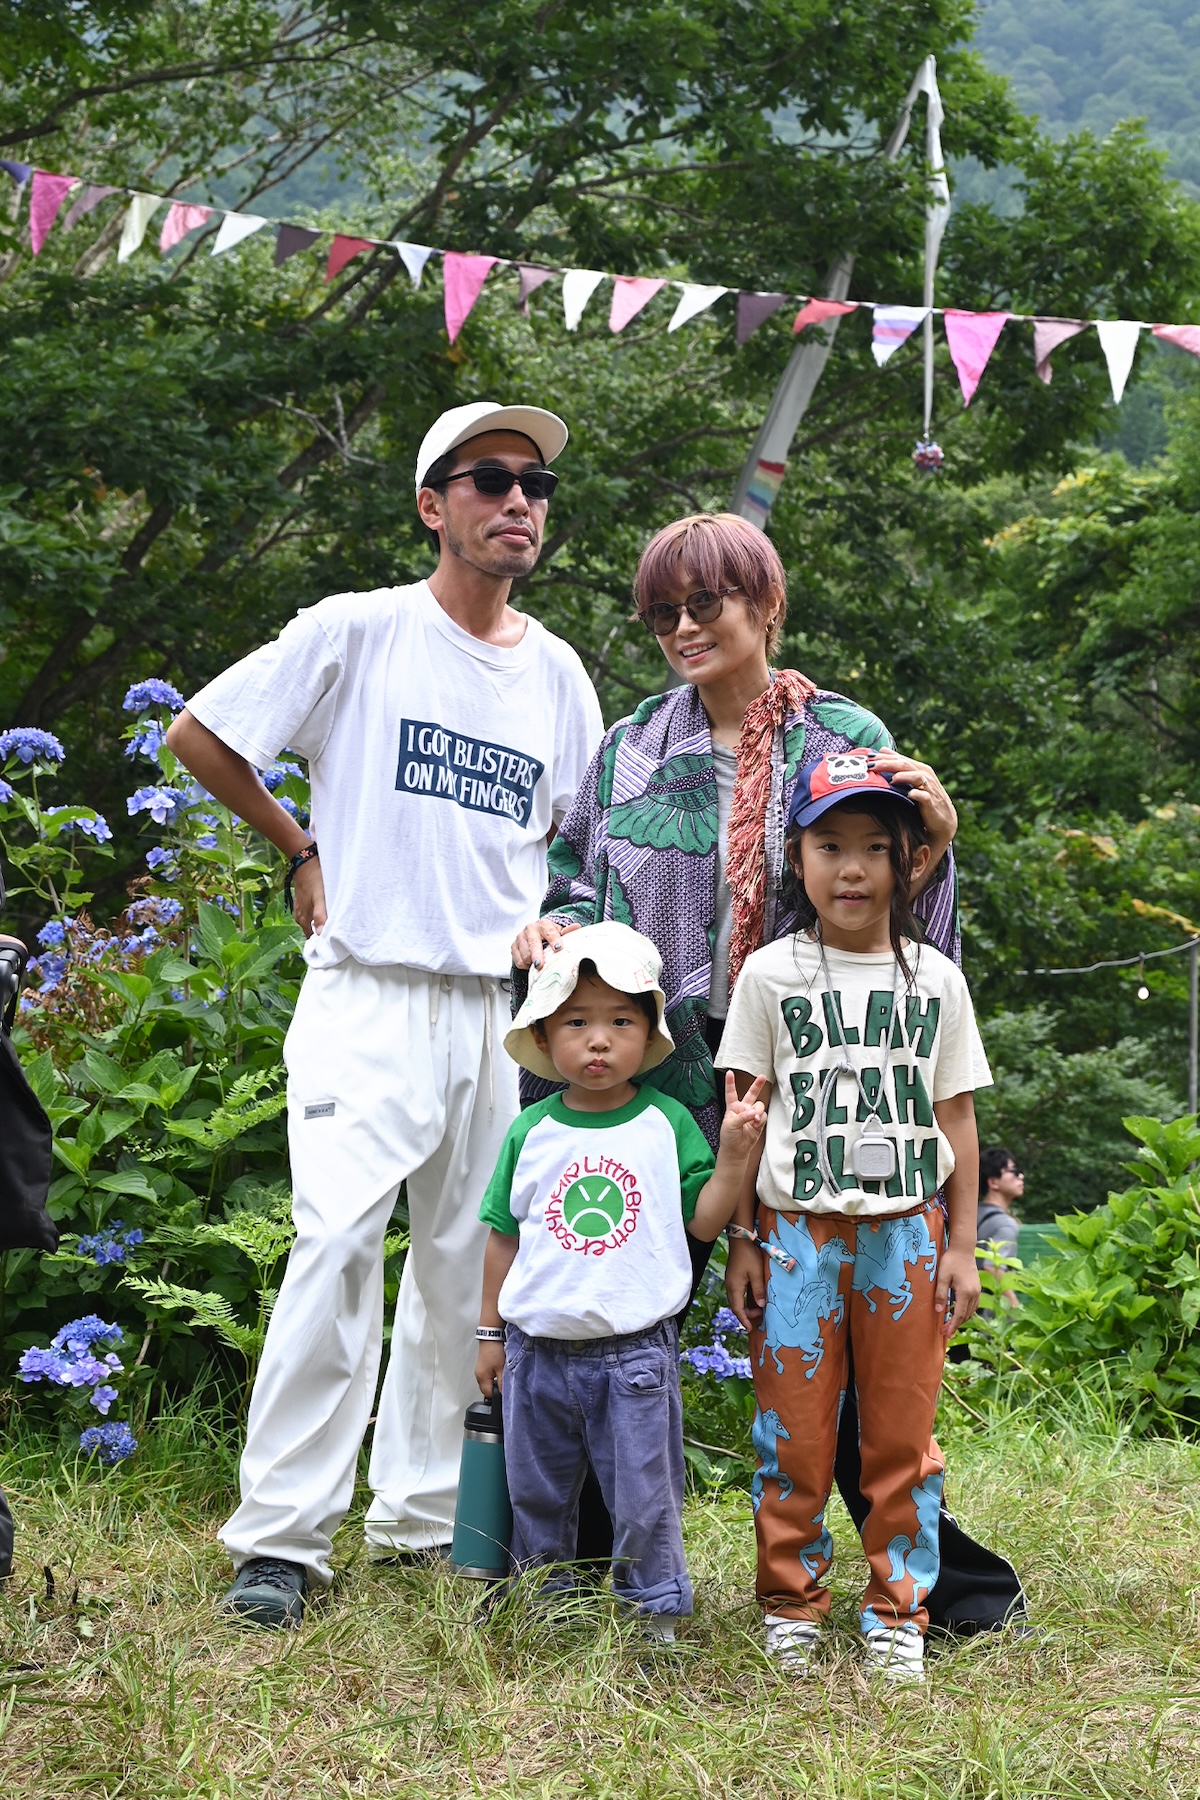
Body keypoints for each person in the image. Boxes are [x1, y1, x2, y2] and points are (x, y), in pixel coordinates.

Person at [512, 510, 1025, 1634]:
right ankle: (575, 1563)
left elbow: (899, 908)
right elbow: (575, 872)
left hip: (807, 1084)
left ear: (766, 606)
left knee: (830, 1357)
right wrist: (550, 930)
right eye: (662, 613)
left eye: (708, 604)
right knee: (603, 1306)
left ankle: (943, 1587)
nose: (684, 627)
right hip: (652, 1077)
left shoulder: (839, 733)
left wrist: (938, 837)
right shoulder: (633, 742)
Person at [166, 400, 603, 1626]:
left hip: (501, 1013)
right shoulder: (359, 631)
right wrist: (296, 844)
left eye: (535, 487)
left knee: (467, 1274)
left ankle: (418, 1520)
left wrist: (559, 920)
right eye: (489, 480)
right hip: (367, 987)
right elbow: (201, 734)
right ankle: (283, 1541)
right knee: (336, 1248)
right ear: (433, 504)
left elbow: (576, 838)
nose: (518, 501)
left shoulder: (558, 672)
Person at [719, 751, 990, 1682]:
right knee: (792, 1432)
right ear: (797, 859)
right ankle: (790, 1603)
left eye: (876, 847)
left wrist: (961, 1246)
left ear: (909, 860)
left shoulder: (935, 981)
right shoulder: (768, 975)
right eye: (829, 845)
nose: (852, 868)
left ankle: (898, 1615)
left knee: (901, 1439)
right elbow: (745, 1120)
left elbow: (957, 1117)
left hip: (906, 1239)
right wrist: (746, 1238)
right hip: (796, 1238)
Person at [474, 922, 766, 1638]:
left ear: (649, 1034)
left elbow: (702, 1224)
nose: (598, 1040)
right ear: (544, 1038)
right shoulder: (530, 1131)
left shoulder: (666, 1124)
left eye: (620, 1021)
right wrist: (489, 1334)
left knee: (645, 1498)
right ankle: (549, 1609)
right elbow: (503, 1238)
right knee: (537, 1494)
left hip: (634, 1354)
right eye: (577, 1022)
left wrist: (732, 1158)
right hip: (535, 1353)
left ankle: (655, 1618)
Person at [977, 1147, 1024, 1306]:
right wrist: (1015, 1306)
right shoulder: (1005, 1224)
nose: (1021, 1176)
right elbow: (992, 1267)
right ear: (993, 1182)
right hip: (985, 1316)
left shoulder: (970, 1215)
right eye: (1014, 1171)